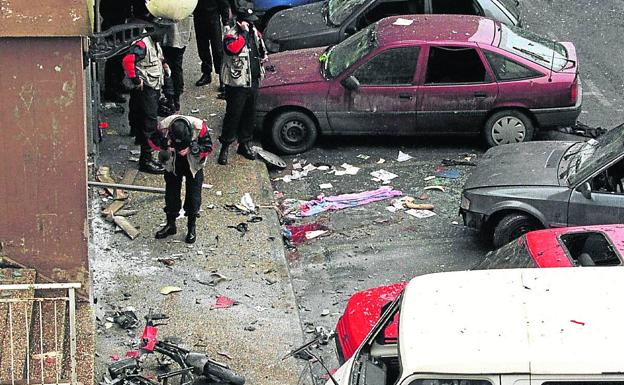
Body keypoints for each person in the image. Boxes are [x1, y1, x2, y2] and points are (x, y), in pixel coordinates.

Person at [149, 115, 214, 243]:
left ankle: (191, 227)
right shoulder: (164, 126)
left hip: (193, 165)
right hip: (173, 163)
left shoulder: (199, 127)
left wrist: (192, 149)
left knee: (193, 195)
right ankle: (170, 224)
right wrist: (165, 145)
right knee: (171, 194)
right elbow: (152, 141)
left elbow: (208, 147)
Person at [217, 6, 268, 165]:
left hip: (252, 80)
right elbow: (233, 49)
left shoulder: (253, 32)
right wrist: (244, 33)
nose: (251, 24)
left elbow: (260, 46)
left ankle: (244, 143)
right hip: (237, 84)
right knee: (233, 115)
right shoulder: (231, 36)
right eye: (248, 22)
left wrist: (263, 54)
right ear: (239, 22)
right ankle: (225, 146)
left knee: (249, 114)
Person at [122, 28, 170, 174]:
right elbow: (128, 60)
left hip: (149, 86)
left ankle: (136, 134)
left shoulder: (152, 43)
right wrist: (136, 79)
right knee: (149, 123)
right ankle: (146, 160)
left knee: (137, 113)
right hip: (148, 88)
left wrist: (164, 65)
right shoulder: (143, 45)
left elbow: (158, 57)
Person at [193, 0, 231, 94]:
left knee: (217, 49)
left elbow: (223, 2)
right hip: (199, 15)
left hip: (213, 16)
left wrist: (225, 21)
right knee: (202, 47)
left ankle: (222, 77)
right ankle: (206, 73)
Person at [99, 0, 132, 103]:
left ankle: (118, 84)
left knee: (120, 56)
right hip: (114, 27)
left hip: (119, 25)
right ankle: (111, 90)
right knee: (114, 58)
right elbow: (106, 10)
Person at [161, 15, 194, 114]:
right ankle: (176, 98)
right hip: (182, 33)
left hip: (167, 35)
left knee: (167, 67)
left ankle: (170, 98)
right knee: (177, 66)